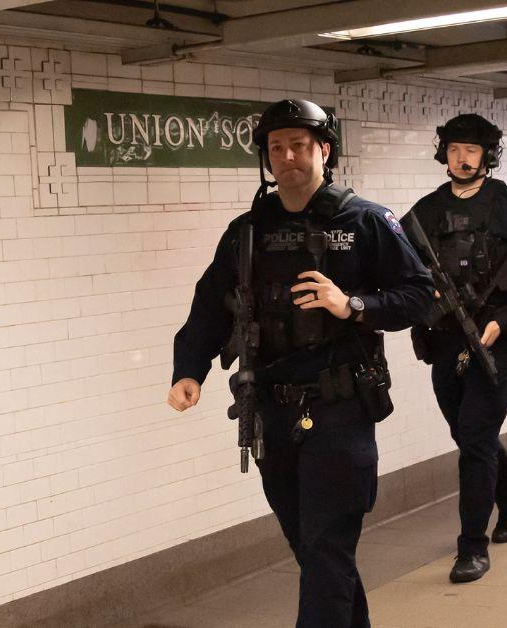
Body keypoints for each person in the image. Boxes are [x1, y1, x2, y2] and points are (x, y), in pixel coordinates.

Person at [166, 99, 433, 627]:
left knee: (327, 548)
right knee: (314, 552)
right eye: (277, 148)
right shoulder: (247, 231)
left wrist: (353, 305)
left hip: (339, 408)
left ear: (324, 150)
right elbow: (210, 304)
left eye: (300, 145)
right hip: (271, 412)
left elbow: (420, 297)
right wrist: (188, 369)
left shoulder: (366, 221)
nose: (287, 156)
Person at [405, 113, 507, 583]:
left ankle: (472, 547)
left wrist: (503, 320)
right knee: (470, 435)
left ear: (487, 154)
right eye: (453, 149)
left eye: (471, 150)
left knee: (473, 439)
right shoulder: (425, 211)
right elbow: (405, 277)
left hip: (497, 344)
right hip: (446, 342)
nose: (462, 158)